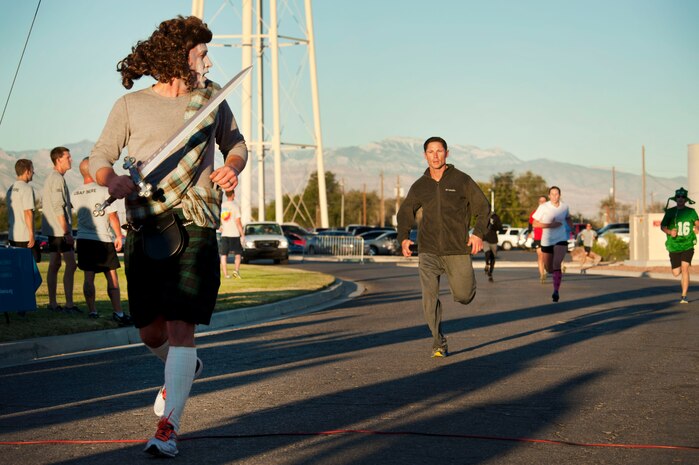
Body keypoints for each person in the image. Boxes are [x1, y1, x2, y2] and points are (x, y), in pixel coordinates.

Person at [89, 16, 247, 458]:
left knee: (181, 325)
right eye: (201, 54)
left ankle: (168, 426)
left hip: (195, 219)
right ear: (180, 56)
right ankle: (184, 367)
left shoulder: (211, 99)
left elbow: (237, 144)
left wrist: (231, 168)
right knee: (150, 331)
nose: (208, 61)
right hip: (146, 221)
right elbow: (99, 155)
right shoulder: (130, 106)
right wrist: (110, 178)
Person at [397, 136, 490, 358]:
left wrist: (477, 234)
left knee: (464, 295)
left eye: (439, 151)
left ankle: (459, 285)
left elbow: (483, 207)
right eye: (431, 151)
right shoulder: (420, 185)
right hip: (428, 249)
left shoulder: (461, 180)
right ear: (425, 155)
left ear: (447, 153)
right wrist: (403, 237)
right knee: (429, 299)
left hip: (457, 249)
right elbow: (405, 211)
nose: (435, 155)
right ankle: (438, 342)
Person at [71, 158, 132, 324]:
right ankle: (118, 312)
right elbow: (112, 216)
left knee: (88, 277)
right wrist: (119, 236)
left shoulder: (74, 193)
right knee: (112, 277)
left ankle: (93, 311)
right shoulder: (103, 190)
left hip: (83, 239)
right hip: (102, 240)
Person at [41, 146, 79, 313]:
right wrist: (66, 233)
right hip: (59, 231)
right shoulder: (57, 178)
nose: (71, 159)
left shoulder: (54, 178)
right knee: (71, 264)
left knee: (55, 264)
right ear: (58, 160)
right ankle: (69, 304)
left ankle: (53, 303)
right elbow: (57, 206)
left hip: (53, 231)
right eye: (68, 157)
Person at [532, 186, 573, 302]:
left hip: (561, 238)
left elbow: (568, 218)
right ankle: (548, 270)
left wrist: (571, 226)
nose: (555, 196)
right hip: (547, 240)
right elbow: (535, 224)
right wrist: (550, 225)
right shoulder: (543, 207)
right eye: (552, 194)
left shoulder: (565, 207)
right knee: (549, 268)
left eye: (557, 194)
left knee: (557, 264)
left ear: (560, 195)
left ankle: (556, 291)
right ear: (549, 196)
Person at [660, 187, 699, 304]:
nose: (680, 199)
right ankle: (682, 273)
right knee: (676, 273)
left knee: (685, 268)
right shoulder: (670, 212)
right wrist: (669, 232)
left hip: (688, 244)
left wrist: (697, 228)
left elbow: (697, 223)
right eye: (678, 197)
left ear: (685, 199)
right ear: (676, 199)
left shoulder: (691, 212)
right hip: (674, 246)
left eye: (682, 197)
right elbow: (662, 226)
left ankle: (684, 296)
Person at [6, 159, 40, 262]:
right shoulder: (26, 188)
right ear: (27, 171)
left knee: (17, 267)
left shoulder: (11, 189)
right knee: (30, 268)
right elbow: (28, 212)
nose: (33, 172)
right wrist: (31, 235)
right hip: (25, 237)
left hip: (13, 236)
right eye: (32, 169)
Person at [219, 189, 245, 279]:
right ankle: (236, 271)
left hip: (225, 233)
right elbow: (238, 221)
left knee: (224, 255)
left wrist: (220, 227)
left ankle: (226, 274)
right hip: (234, 233)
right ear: (233, 194)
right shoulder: (235, 206)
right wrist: (242, 234)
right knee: (238, 254)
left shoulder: (222, 205)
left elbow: (217, 218)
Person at [527, 195, 547, 283]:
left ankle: (546, 267)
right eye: (541, 201)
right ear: (538, 203)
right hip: (538, 237)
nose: (542, 203)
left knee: (547, 255)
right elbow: (530, 224)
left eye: (544, 201)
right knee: (540, 255)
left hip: (548, 237)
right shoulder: (534, 213)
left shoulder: (550, 213)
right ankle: (542, 275)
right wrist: (529, 233)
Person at [482, 211, 502, 282]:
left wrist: (494, 225)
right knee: (487, 253)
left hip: (493, 240)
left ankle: (490, 273)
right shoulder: (483, 216)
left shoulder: (496, 217)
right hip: (485, 239)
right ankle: (487, 264)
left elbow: (500, 227)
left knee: (493, 257)